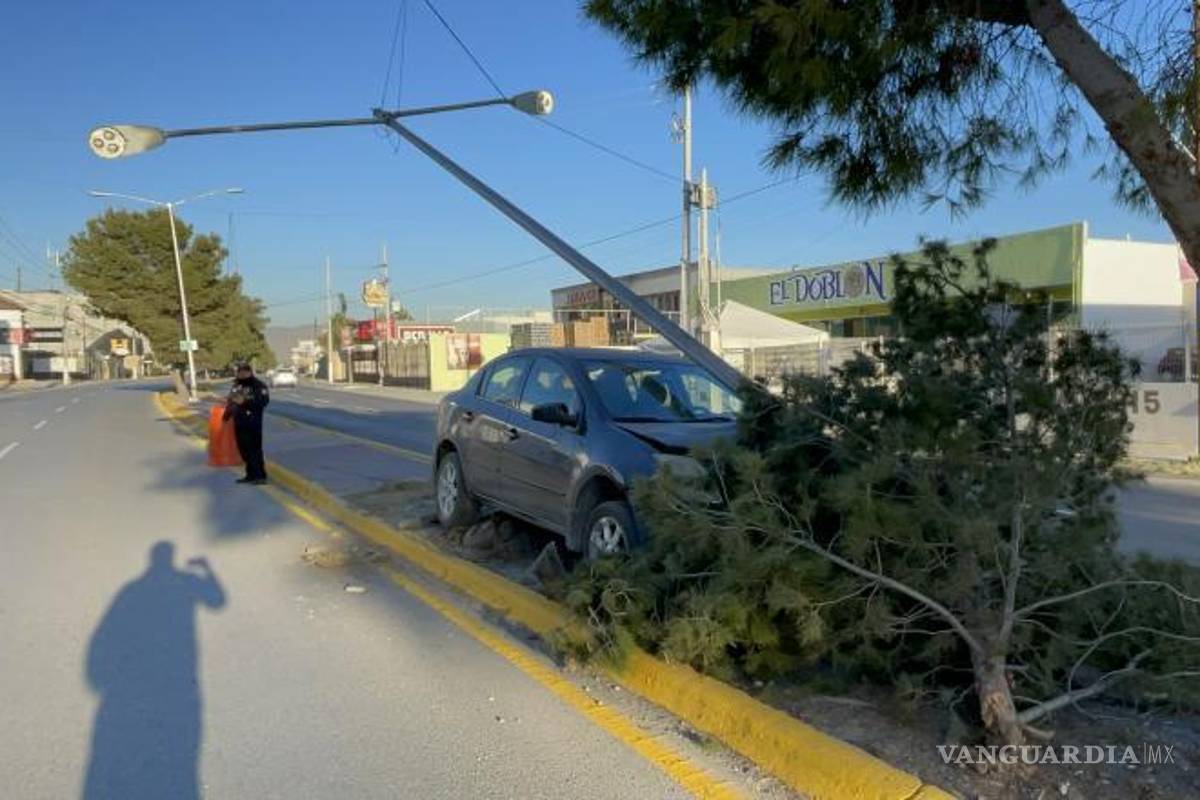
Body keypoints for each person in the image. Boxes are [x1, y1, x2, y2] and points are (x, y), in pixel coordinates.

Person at [226, 362, 270, 484]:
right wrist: (226, 416)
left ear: (250, 372)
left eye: (244, 372)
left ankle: (260, 476)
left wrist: (245, 402)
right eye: (239, 372)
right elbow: (232, 401)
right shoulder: (237, 385)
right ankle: (250, 475)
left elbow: (263, 402)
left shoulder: (258, 385)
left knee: (254, 450)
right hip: (239, 422)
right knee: (244, 450)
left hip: (253, 423)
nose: (241, 374)